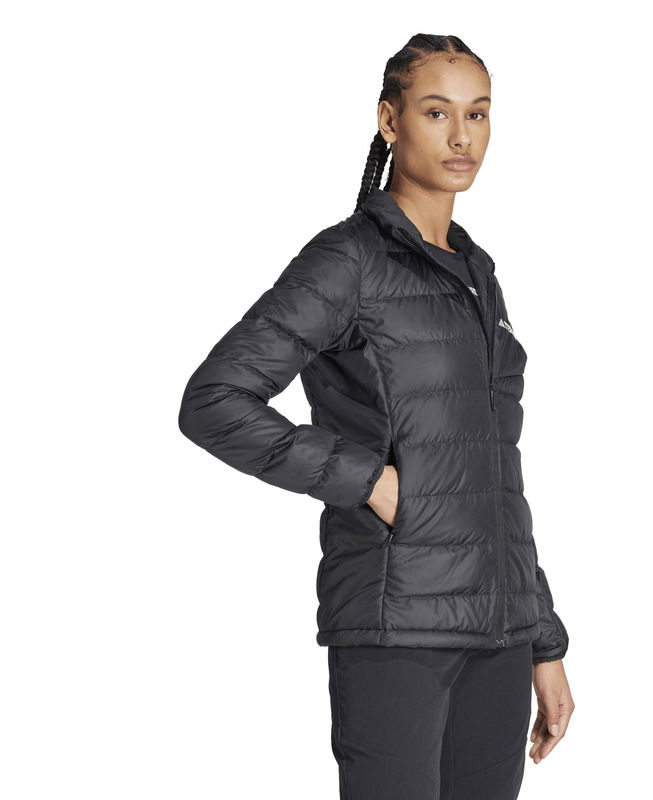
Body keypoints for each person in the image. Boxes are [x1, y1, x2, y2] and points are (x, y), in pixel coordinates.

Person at [179, 32, 575, 800]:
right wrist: (368, 481)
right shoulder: (349, 260)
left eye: (478, 113)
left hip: (498, 633)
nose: (462, 137)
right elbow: (215, 400)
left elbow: (494, 476)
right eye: (437, 112)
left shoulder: (477, 272)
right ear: (390, 121)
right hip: (397, 627)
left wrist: (544, 638)